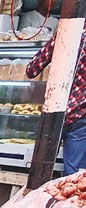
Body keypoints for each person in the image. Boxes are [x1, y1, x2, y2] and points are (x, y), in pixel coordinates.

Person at [27, 24, 86, 175]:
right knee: (74, 175)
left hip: (55, 113)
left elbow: (32, 69)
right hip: (81, 117)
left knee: (40, 172)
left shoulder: (69, 30)